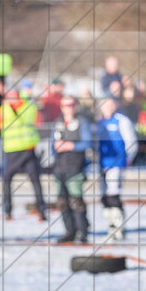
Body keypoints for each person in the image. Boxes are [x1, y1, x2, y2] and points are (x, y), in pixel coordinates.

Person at [0, 89, 47, 220]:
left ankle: (8, 211)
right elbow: (40, 122)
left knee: (7, 180)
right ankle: (41, 210)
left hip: (12, 151)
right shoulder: (31, 107)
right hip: (28, 149)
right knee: (35, 181)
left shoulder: (4, 109)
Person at [51, 96, 93, 243]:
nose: (67, 108)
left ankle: (82, 232)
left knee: (76, 200)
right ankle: (70, 231)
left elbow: (88, 143)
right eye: (64, 105)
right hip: (59, 167)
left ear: (75, 106)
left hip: (75, 167)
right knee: (62, 201)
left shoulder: (82, 122)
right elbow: (53, 145)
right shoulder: (58, 123)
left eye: (70, 105)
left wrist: (70, 145)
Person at [95, 97, 138, 241]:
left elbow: (131, 142)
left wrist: (128, 159)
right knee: (104, 196)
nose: (108, 107)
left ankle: (119, 227)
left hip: (117, 163)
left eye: (110, 104)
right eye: (105, 104)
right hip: (102, 163)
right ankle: (111, 224)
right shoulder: (99, 122)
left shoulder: (122, 121)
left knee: (113, 194)